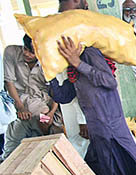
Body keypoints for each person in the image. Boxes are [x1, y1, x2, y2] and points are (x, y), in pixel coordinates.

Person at [51, 36, 136, 175]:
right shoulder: (72, 68)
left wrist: (78, 62)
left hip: (111, 132)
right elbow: (64, 95)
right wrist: (49, 75)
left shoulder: (90, 54)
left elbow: (109, 81)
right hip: (99, 134)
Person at [3, 36, 63, 160]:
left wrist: (52, 112)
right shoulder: (11, 52)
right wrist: (20, 107)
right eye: (25, 49)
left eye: (31, 52)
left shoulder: (49, 61)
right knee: (40, 115)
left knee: (49, 120)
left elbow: (56, 92)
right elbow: (9, 83)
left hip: (43, 100)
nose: (26, 54)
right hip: (19, 98)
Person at [56, 0, 89, 158]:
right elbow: (70, 84)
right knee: (80, 148)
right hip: (75, 108)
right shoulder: (62, 42)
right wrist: (81, 118)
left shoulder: (89, 37)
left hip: (93, 107)